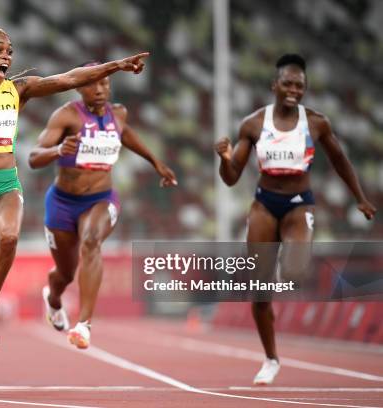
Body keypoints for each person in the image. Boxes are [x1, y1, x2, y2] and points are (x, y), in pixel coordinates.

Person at [0, 27, 150, 385]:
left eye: (10, 51)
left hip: (5, 185)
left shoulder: (18, 89)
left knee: (9, 237)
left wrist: (115, 66)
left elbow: (69, 78)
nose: (7, 56)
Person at [215, 54, 376, 385]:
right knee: (259, 291)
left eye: (299, 86)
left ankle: (277, 264)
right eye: (287, 84)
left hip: (299, 204)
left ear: (305, 89)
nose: (293, 90)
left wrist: (359, 197)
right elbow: (231, 178)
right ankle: (271, 358)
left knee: (295, 269)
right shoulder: (254, 124)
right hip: (264, 204)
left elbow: (341, 161)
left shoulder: (316, 123)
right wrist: (225, 158)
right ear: (274, 85)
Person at [28, 61, 177, 349]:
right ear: (79, 86)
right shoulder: (67, 116)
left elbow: (127, 134)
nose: (99, 89)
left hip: (100, 198)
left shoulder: (118, 114)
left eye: (105, 83)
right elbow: (34, 157)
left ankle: (84, 325)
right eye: (92, 83)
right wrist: (58, 150)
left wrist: (156, 162)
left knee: (91, 242)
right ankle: (54, 299)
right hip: (62, 202)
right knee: (65, 274)